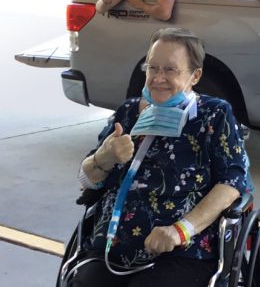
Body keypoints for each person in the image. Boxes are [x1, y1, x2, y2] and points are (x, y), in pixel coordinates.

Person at [72, 28, 249, 286]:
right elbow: (85, 180)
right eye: (152, 68)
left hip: (181, 249)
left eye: (170, 70)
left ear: (195, 76)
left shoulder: (213, 115)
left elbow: (232, 183)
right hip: (112, 244)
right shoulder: (129, 112)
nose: (158, 78)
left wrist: (180, 230)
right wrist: (105, 156)